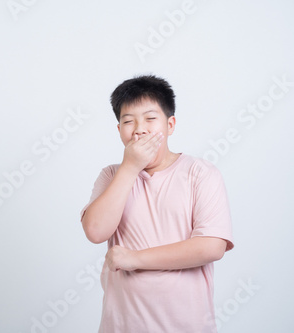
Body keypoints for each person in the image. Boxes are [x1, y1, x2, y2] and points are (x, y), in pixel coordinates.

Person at [80, 75, 234, 332]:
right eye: (128, 121)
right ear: (119, 130)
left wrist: (134, 259)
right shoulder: (111, 175)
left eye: (151, 119)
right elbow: (95, 231)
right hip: (122, 325)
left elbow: (211, 247)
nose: (139, 129)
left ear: (170, 124)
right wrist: (130, 167)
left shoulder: (200, 173)